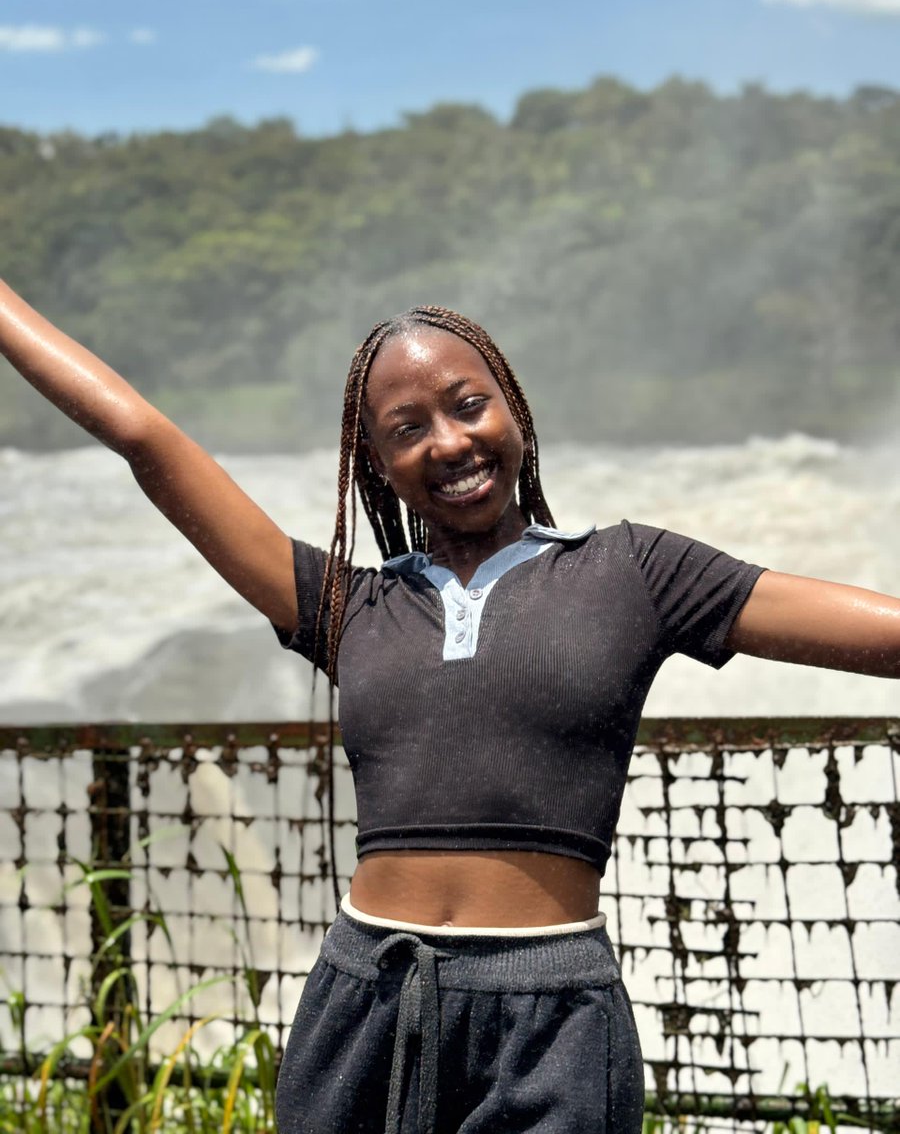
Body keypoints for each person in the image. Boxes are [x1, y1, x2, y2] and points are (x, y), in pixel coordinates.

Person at [1, 284, 898, 1134]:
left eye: (469, 405)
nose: (449, 441)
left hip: (551, 1021)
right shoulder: (345, 606)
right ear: (378, 465)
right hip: (363, 999)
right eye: (407, 428)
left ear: (513, 407)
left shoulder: (634, 572)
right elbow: (143, 438)